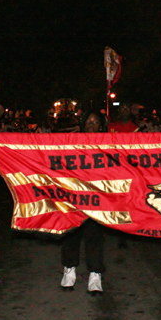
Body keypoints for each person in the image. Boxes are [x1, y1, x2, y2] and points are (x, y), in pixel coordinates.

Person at [60, 110, 107, 295]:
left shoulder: (109, 144)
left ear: (101, 126)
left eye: (95, 122)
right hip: (74, 197)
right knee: (71, 233)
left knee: (94, 236)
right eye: (88, 122)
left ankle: (95, 275)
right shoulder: (71, 142)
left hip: (97, 199)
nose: (91, 125)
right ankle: (69, 271)